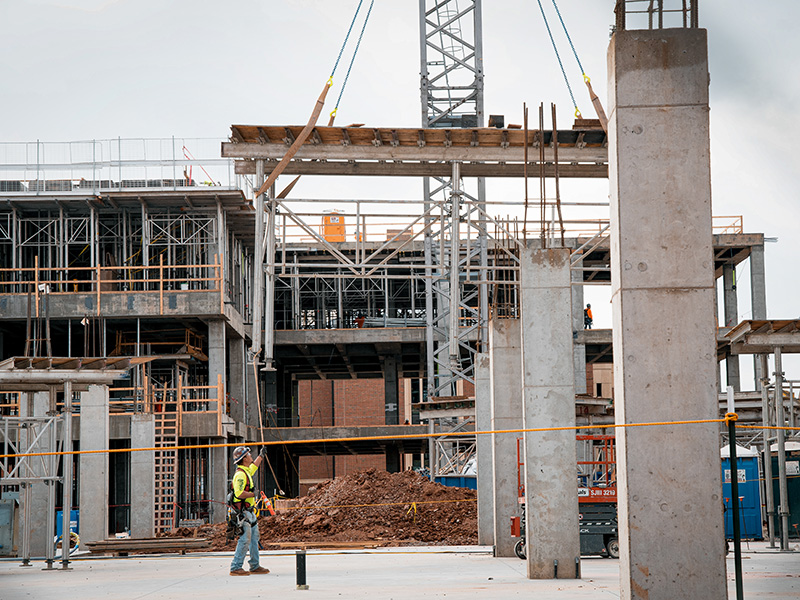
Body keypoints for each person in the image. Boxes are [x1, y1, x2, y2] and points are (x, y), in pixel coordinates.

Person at [229, 446, 270, 576]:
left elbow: (254, 467)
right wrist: (253, 494)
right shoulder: (240, 475)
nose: (251, 456)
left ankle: (254, 565)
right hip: (243, 512)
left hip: (249, 512)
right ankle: (235, 567)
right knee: (245, 539)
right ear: (244, 458)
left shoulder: (246, 471)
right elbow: (239, 493)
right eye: (249, 455)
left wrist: (261, 455)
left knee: (254, 538)